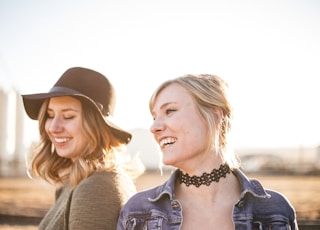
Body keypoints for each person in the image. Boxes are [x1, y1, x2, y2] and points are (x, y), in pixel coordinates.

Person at [117, 74, 298, 229]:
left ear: (214, 116)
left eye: (170, 111)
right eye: (154, 117)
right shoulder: (136, 212)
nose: (154, 127)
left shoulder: (276, 210)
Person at [22, 67, 143, 229]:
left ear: (97, 126)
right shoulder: (76, 183)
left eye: (68, 116)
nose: (53, 127)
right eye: (50, 115)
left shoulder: (96, 189)